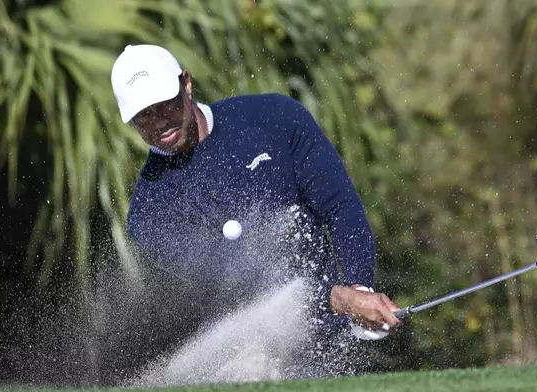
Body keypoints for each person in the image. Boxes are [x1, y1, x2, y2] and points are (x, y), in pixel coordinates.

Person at [110, 44, 400, 377]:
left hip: (331, 348)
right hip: (241, 366)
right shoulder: (150, 216)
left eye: (164, 105)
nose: (158, 121)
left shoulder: (273, 118)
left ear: (186, 84)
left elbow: (340, 207)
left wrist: (359, 288)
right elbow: (241, 285)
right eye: (143, 115)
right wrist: (340, 300)